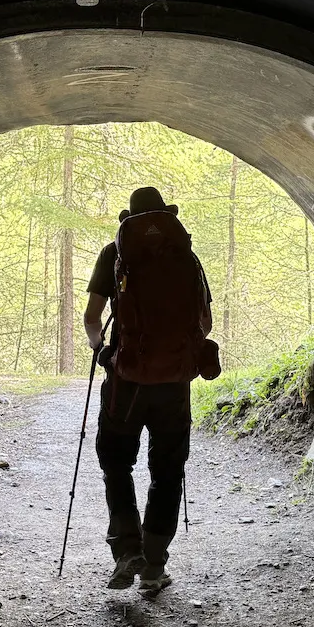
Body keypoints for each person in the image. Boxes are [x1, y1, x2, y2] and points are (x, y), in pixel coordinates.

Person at [83, 186, 214, 595]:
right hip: (173, 384)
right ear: (167, 215)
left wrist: (102, 349)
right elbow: (204, 323)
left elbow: (92, 317)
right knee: (168, 471)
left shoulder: (114, 253)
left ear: (128, 219)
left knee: (117, 464)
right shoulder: (186, 256)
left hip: (126, 385)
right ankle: (155, 565)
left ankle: (127, 551)